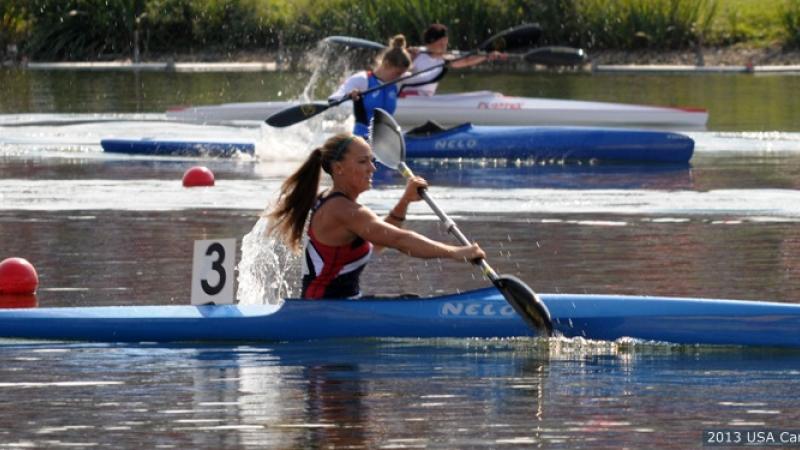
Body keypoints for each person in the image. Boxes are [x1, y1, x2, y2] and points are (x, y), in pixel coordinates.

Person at [267, 133, 485, 299]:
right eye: (363, 162)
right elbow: (399, 240)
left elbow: (377, 244)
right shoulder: (343, 211)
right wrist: (456, 252)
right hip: (324, 312)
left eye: (372, 160)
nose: (372, 168)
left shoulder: (335, 203)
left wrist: (404, 201)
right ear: (339, 168)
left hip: (338, 306)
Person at [328, 35, 412, 138]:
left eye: (402, 74)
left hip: (382, 137)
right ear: (386, 64)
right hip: (360, 137)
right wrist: (350, 96)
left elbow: (431, 75)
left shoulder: (397, 83)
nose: (399, 77)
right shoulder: (363, 79)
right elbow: (333, 99)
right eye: (397, 73)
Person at [402, 23, 505, 97]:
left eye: (445, 43)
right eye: (441, 44)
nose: (444, 47)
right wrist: (404, 53)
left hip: (425, 98)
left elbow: (467, 61)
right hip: (405, 95)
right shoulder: (416, 54)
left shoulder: (447, 58)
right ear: (430, 43)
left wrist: (486, 56)